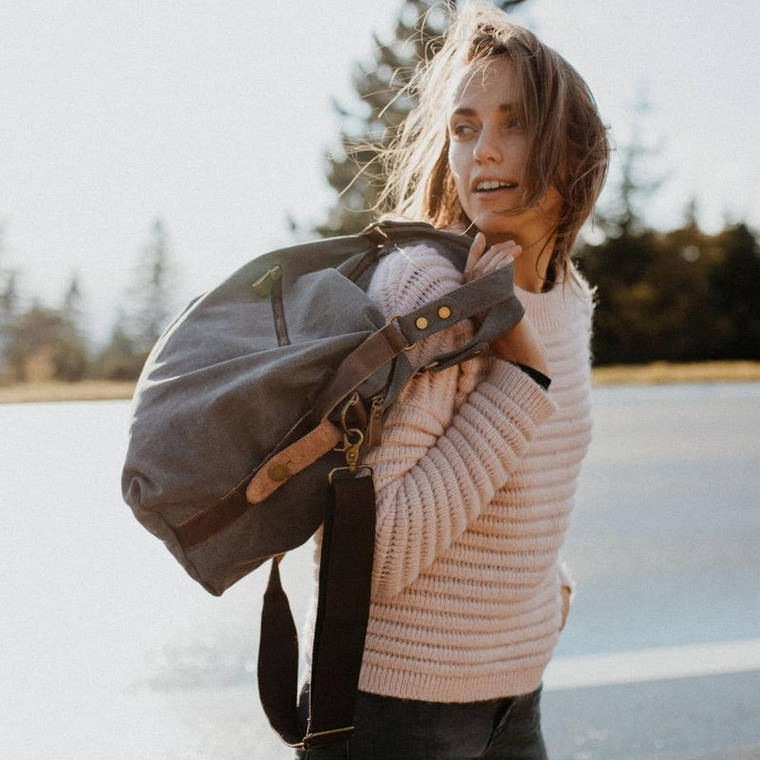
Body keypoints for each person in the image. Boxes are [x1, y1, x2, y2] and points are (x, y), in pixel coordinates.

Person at [297, 2, 609, 757]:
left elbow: (526, 486)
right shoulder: (429, 292)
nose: (482, 151)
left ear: (575, 150)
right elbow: (375, 555)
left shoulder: (567, 297)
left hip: (516, 700)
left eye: (514, 123)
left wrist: (547, 586)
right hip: (400, 710)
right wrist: (519, 379)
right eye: (464, 128)